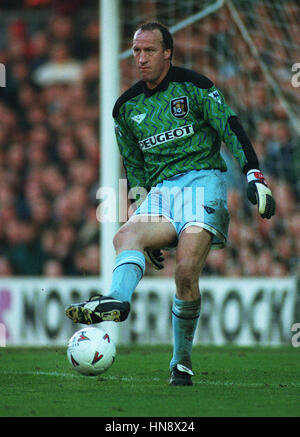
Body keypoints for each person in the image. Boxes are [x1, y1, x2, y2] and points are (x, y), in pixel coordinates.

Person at [65, 22, 275, 386]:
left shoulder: (195, 86)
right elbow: (134, 167)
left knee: (185, 274)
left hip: (203, 182)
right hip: (161, 192)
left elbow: (230, 128)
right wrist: (140, 211)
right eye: (136, 51)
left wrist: (253, 175)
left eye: (148, 50)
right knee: (125, 236)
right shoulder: (125, 108)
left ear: (167, 52)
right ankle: (117, 300)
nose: (141, 58)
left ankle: (181, 362)